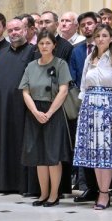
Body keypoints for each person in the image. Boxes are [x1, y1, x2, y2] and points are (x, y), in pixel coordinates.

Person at [74, 24, 112, 209]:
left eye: (104, 35)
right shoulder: (89, 58)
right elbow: (83, 86)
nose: (100, 39)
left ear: (111, 38)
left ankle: (105, 193)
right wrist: (83, 112)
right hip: (89, 107)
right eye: (98, 36)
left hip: (108, 108)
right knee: (95, 154)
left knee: (106, 153)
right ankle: (99, 190)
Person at [0, 17, 38, 194]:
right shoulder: (0, 54)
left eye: (17, 29)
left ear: (25, 31)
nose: (14, 33)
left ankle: (22, 185)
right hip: (0, 109)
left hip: (21, 109)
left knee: (20, 145)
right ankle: (1, 183)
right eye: (11, 30)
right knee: (1, 143)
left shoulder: (33, 52)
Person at [20, 31, 72, 206]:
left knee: (52, 155)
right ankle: (43, 193)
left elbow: (64, 90)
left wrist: (49, 113)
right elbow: (25, 91)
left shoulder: (60, 64)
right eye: (41, 43)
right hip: (35, 111)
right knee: (39, 156)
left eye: (48, 43)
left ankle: (54, 194)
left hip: (54, 111)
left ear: (54, 45)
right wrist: (35, 111)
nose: (44, 46)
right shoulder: (31, 66)